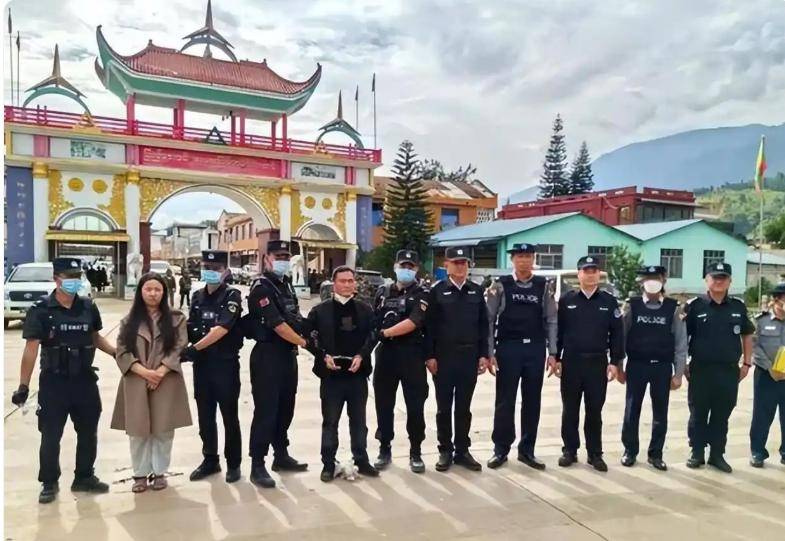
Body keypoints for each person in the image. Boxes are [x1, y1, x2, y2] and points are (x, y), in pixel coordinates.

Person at [11, 257, 116, 504]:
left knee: (88, 432)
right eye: (68, 277)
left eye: (76, 277)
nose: (73, 281)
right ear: (56, 279)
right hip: (54, 383)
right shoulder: (41, 310)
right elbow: (31, 349)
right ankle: (49, 482)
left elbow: (95, 337)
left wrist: (116, 353)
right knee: (51, 434)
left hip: (84, 381)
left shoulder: (88, 306)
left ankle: (84, 477)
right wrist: (23, 385)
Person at [111, 273, 192, 492]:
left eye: (158, 289)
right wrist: (146, 373)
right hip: (136, 380)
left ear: (165, 292)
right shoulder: (129, 321)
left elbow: (180, 347)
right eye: (148, 289)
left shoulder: (176, 319)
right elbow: (122, 352)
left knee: (163, 429)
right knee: (138, 430)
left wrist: (161, 372)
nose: (153, 293)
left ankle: (159, 472)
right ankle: (139, 474)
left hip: (166, 380)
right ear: (141, 292)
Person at [485, 243, 557, 471]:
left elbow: (551, 320)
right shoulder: (500, 285)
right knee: (505, 401)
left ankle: (527, 450)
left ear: (533, 259)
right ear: (513, 260)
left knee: (532, 401)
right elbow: (489, 320)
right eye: (519, 256)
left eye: (528, 256)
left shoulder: (543, 286)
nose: (524, 260)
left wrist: (553, 352)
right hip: (508, 349)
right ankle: (500, 449)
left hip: (535, 349)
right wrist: (489, 351)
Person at [245, 240, 309, 488]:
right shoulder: (261, 287)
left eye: (286, 256)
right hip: (267, 356)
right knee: (266, 411)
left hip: (287, 355)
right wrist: (306, 343)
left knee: (285, 408)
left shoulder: (286, 284)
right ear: (267, 258)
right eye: (278, 256)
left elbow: (295, 317)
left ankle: (281, 455)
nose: (283, 260)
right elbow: (278, 325)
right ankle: (257, 464)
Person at [305, 266, 379, 482]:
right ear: (334, 283)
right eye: (343, 281)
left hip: (357, 375)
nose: (347, 285)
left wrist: (362, 355)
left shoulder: (365, 310)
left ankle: (361, 459)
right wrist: (322, 355)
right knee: (330, 421)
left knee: (359, 421)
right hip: (332, 377)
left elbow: (373, 335)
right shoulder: (320, 311)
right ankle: (328, 463)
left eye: (350, 281)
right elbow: (309, 336)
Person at [556, 256, 624, 472]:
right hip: (572, 362)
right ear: (579, 274)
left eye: (594, 271)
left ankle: (595, 453)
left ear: (599, 274)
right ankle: (570, 450)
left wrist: (615, 362)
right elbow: (558, 331)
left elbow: (617, 333)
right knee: (570, 409)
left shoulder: (608, 301)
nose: (591, 274)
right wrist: (556, 358)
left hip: (597, 362)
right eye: (586, 271)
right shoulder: (567, 300)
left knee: (594, 410)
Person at [684, 262, 753, 473]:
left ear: (730, 281)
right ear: (706, 280)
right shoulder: (694, 306)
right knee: (698, 412)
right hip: (701, 369)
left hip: (728, 370)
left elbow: (747, 334)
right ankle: (697, 452)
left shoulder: (738, 307)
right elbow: (682, 337)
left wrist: (747, 363)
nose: (719, 281)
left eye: (723, 277)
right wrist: (682, 364)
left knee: (722, 414)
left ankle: (717, 454)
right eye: (715, 277)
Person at [425, 246, 489, 472]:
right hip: (444, 358)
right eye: (456, 262)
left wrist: (484, 354)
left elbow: (483, 325)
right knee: (444, 407)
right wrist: (429, 356)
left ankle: (462, 450)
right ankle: (445, 450)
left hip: (469, 357)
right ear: (446, 265)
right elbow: (429, 326)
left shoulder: (476, 291)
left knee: (464, 407)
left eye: (464, 263)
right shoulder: (437, 291)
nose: (461, 266)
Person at [183, 251, 244, 483]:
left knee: (229, 416)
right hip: (202, 366)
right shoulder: (197, 296)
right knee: (205, 416)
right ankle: (210, 460)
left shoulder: (232, 295)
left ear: (225, 271)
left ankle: (234, 464)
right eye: (207, 267)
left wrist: (194, 349)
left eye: (216, 268)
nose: (210, 272)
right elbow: (189, 327)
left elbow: (222, 328)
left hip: (225, 365)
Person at [619, 265, 688, 471]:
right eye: (647, 278)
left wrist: (678, 374)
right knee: (632, 410)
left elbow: (680, 343)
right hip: (636, 366)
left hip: (662, 368)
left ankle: (656, 454)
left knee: (660, 412)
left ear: (663, 280)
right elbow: (621, 338)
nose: (652, 282)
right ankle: (630, 451)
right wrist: (619, 366)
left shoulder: (673, 308)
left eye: (656, 278)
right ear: (641, 282)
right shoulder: (631, 305)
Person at [372, 249, 430, 473]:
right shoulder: (383, 292)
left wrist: (385, 333)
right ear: (395, 266)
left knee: (415, 405)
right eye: (402, 265)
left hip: (411, 355)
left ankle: (415, 451)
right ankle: (384, 448)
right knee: (383, 404)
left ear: (416, 269)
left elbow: (414, 322)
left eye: (410, 267)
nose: (406, 269)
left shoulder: (422, 293)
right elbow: (373, 320)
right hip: (386, 355)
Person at [749, 282, 785, 467]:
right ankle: (757, 452)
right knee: (762, 416)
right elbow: (754, 346)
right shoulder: (761, 321)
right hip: (766, 375)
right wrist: (770, 368)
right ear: (777, 300)